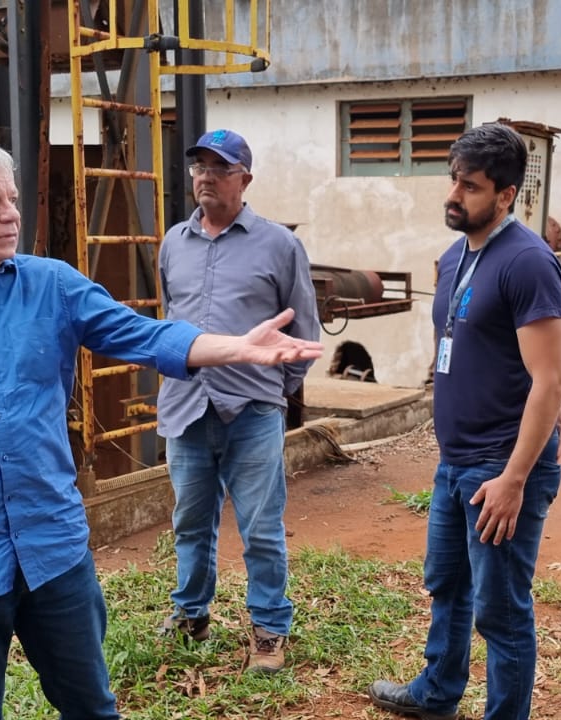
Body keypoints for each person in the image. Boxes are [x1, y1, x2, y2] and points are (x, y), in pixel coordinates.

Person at [0, 136, 322, 720]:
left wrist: (235, 347)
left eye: (12, 198)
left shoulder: (52, 286)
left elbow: (147, 335)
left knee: (91, 706)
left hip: (54, 552)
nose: (12, 213)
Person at [366, 123, 561, 720]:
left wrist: (513, 479)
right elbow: (495, 355)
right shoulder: (457, 254)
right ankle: (436, 693)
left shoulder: (528, 261)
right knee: (447, 585)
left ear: (505, 195)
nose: (454, 195)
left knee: (500, 611)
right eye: (453, 179)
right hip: (454, 460)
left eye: (471, 186)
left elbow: (550, 378)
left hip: (500, 468)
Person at [155, 128, 319, 675]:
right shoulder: (173, 242)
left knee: (261, 528)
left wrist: (273, 391)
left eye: (219, 168)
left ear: (244, 179)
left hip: (251, 414)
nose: (205, 177)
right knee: (191, 522)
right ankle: (190, 614)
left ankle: (270, 630)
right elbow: (168, 326)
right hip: (186, 408)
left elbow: (304, 336)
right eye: (199, 166)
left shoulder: (279, 245)